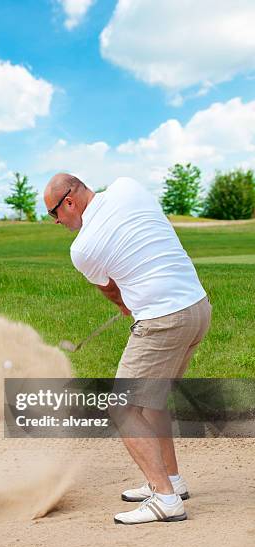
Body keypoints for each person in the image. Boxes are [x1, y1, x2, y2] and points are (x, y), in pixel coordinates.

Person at [43, 173, 212, 525]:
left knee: (122, 407)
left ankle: (165, 498)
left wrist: (126, 304)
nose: (57, 222)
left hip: (163, 320)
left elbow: (112, 290)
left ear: (69, 202)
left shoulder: (82, 248)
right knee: (152, 401)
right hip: (198, 309)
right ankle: (173, 482)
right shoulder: (128, 186)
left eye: (54, 214)